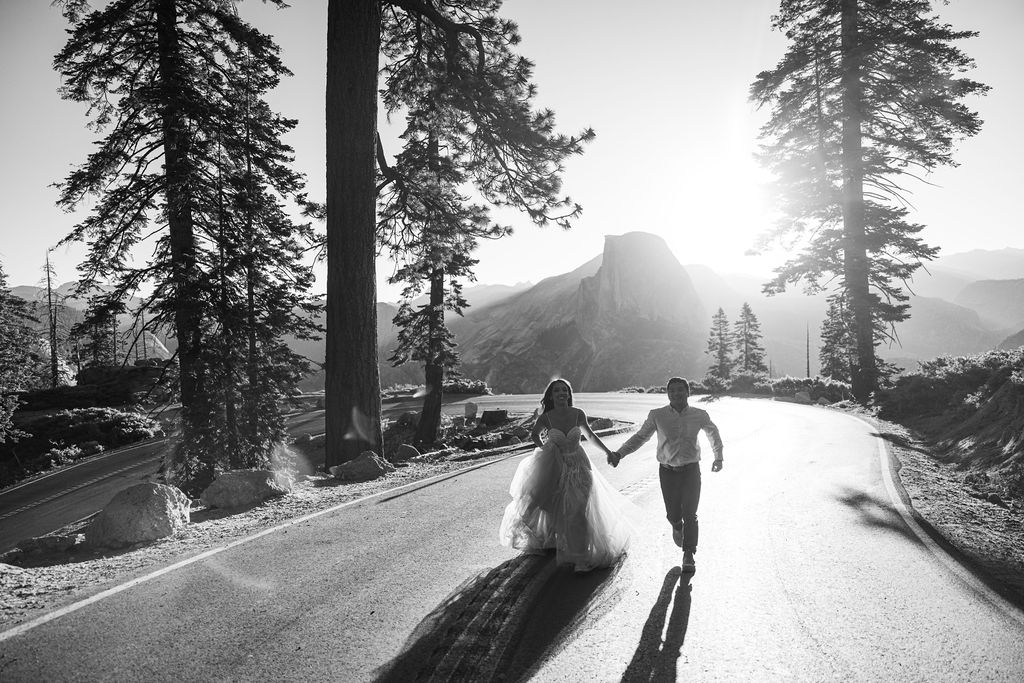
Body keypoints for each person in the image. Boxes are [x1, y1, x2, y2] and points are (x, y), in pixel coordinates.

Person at [499, 378, 634, 573]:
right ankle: (557, 539)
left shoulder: (578, 414)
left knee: (578, 509)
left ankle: (580, 557)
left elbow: (591, 436)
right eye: (557, 391)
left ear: (569, 394)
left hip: (579, 466)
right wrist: (546, 449)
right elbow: (535, 435)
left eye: (565, 390)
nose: (561, 393)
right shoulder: (546, 418)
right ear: (551, 396)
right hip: (555, 467)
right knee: (556, 508)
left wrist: (608, 452)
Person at [609, 377, 723, 573]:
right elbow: (640, 437)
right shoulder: (657, 415)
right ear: (668, 394)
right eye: (672, 391)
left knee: (691, 513)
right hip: (668, 472)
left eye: (680, 390)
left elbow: (713, 433)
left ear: (688, 392)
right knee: (674, 514)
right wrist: (620, 453)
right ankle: (676, 526)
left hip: (691, 471)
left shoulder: (699, 414)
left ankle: (689, 555)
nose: (676, 394)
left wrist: (718, 457)